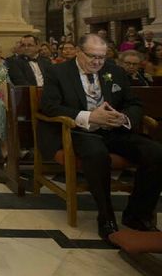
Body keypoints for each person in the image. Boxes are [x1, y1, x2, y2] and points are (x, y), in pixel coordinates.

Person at [39, 34, 162, 244]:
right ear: (78, 51)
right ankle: (106, 216)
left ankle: (137, 215)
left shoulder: (114, 71)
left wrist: (124, 117)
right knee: (97, 154)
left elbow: (133, 103)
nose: (97, 62)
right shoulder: (58, 72)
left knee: (156, 152)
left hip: (114, 130)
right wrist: (89, 116)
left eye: (102, 57)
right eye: (92, 56)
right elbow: (49, 106)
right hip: (79, 131)